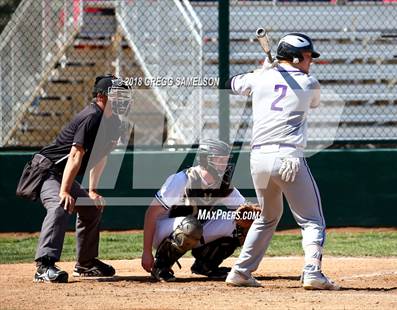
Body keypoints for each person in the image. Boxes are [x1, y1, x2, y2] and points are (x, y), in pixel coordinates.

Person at [224, 33, 340, 290]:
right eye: (308, 56)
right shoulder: (309, 83)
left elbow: (230, 83)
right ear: (296, 57)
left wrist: (262, 72)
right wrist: (270, 71)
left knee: (268, 216)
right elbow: (314, 100)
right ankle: (312, 271)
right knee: (312, 220)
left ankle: (241, 271)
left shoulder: (260, 78)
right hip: (288, 157)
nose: (311, 61)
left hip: (259, 159)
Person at [32, 74, 132, 283]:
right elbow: (76, 155)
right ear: (102, 96)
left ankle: (86, 263)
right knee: (61, 204)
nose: (124, 99)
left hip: (62, 174)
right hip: (47, 170)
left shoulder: (113, 122)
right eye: (118, 94)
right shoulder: (92, 116)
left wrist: (92, 190)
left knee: (91, 207)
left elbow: (99, 156)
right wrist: (64, 191)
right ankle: (44, 266)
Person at [141, 139, 250, 282]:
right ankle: (161, 266)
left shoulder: (222, 183)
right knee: (191, 225)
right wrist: (147, 252)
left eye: (226, 159)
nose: (225, 164)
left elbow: (244, 209)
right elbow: (151, 213)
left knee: (241, 222)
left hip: (194, 228)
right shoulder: (183, 179)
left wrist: (259, 216)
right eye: (219, 159)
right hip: (162, 232)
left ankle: (205, 265)